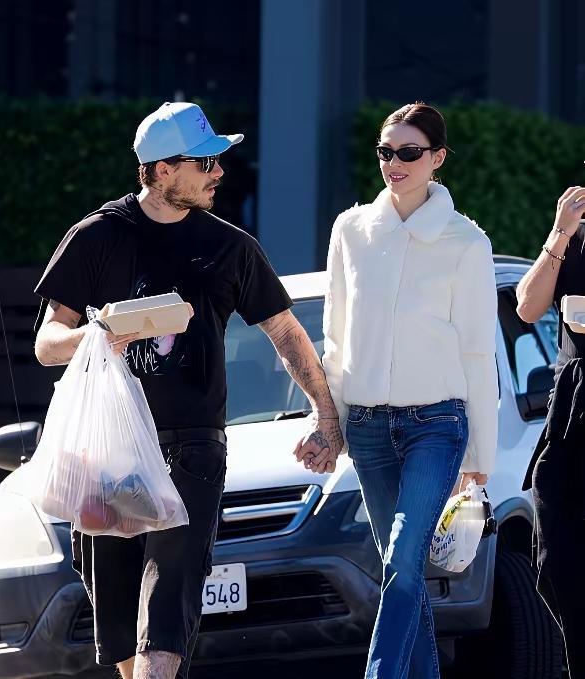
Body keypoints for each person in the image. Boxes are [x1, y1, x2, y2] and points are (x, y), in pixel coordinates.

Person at [33, 101, 342, 679]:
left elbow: (286, 333)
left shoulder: (231, 246)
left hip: (194, 445)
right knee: (119, 618)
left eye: (218, 160)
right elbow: (47, 343)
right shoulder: (97, 236)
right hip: (109, 449)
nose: (219, 172)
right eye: (205, 163)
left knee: (168, 604)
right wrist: (98, 334)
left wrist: (326, 417)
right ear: (163, 170)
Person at [318, 102, 498, 679]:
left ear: (437, 158)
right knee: (405, 572)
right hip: (368, 428)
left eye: (409, 152)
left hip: (437, 427)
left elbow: (478, 352)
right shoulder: (350, 231)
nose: (394, 163)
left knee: (401, 560)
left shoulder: (465, 241)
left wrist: (481, 454)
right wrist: (330, 423)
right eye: (385, 152)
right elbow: (335, 337)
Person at [517, 185, 585, 679]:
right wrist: (560, 232)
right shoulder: (573, 234)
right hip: (570, 417)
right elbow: (526, 307)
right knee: (556, 558)